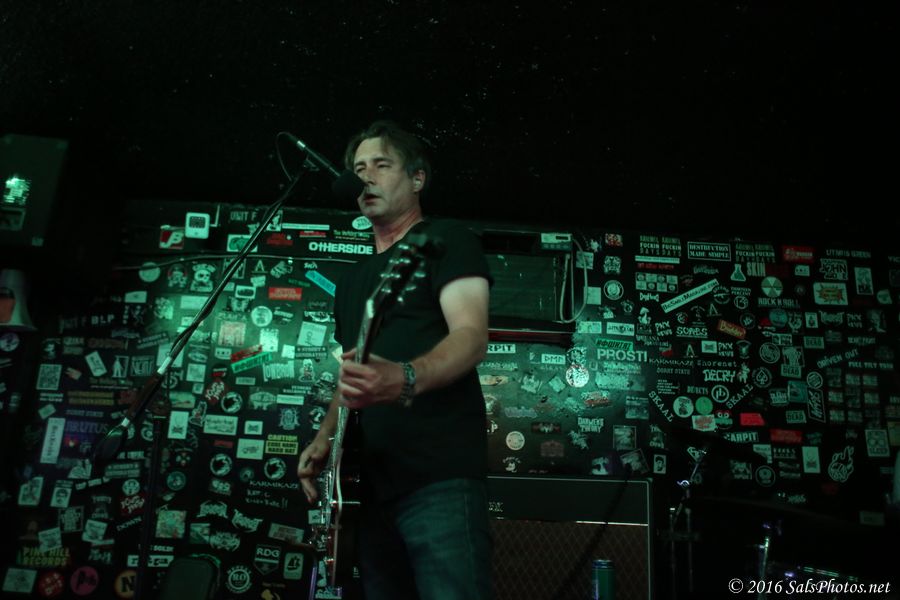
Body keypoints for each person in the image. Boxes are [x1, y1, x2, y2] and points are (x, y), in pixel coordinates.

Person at [297, 120, 493, 600]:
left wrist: (405, 376)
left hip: (438, 478)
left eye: (381, 165)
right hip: (365, 490)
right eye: (358, 168)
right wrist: (324, 439)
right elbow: (352, 374)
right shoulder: (352, 280)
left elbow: (471, 337)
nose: (365, 176)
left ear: (417, 178)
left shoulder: (446, 239)